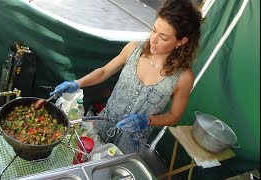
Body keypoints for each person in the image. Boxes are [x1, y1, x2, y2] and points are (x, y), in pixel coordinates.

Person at [49, 0, 202, 154]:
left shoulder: (183, 78)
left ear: (181, 41)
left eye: (163, 37)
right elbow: (104, 72)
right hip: (102, 126)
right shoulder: (134, 49)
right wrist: (77, 83)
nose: (153, 39)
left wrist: (147, 120)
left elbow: (174, 116)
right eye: (154, 30)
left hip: (131, 144)